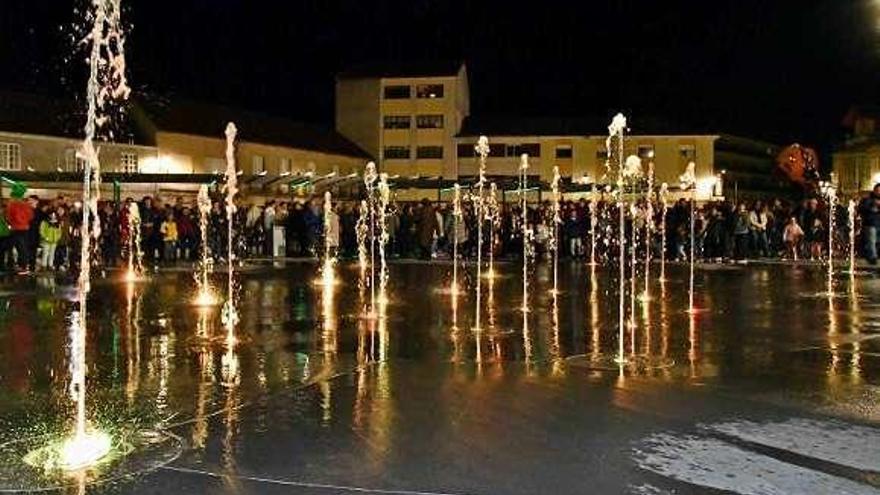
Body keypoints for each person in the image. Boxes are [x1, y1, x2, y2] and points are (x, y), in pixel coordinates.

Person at [6, 185, 34, 274]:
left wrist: (13, 223)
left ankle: (19, 266)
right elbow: (31, 216)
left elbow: (9, 217)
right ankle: (24, 265)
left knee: (11, 247)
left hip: (15, 228)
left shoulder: (12, 205)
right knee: (23, 247)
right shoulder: (26, 204)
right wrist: (24, 221)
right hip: (25, 228)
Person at [859, 183, 880, 264]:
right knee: (871, 240)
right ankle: (872, 258)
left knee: (874, 241)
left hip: (878, 223)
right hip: (870, 223)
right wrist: (872, 206)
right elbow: (861, 209)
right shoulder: (867, 199)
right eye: (877, 190)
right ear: (874, 191)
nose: (879, 192)